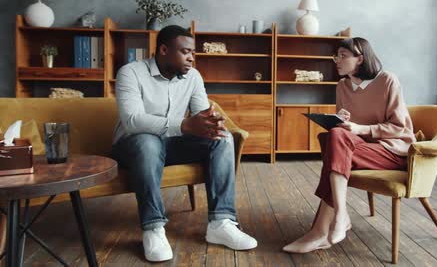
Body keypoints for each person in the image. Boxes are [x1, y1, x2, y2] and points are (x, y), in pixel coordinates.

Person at [112, 25, 257, 262]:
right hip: (131, 146)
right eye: (185, 51)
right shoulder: (131, 72)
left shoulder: (193, 77)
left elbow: (202, 116)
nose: (191, 57)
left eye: (193, 52)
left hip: (170, 144)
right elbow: (132, 121)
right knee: (148, 143)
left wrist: (212, 123)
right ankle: (153, 228)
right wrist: (185, 125)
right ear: (164, 49)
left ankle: (221, 223)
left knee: (223, 138)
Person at [283, 37, 416, 253]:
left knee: (334, 151)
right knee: (333, 136)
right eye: (337, 56)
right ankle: (336, 219)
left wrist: (361, 129)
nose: (337, 60)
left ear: (360, 59)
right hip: (360, 149)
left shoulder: (387, 80)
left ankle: (322, 229)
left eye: (343, 56)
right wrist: (341, 119)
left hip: (391, 151)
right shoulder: (342, 86)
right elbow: (346, 130)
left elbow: (400, 128)